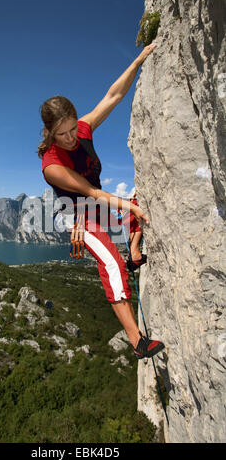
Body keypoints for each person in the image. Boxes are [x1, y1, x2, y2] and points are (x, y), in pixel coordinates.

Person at [38, 43, 164, 359]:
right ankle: (137, 340)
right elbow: (90, 193)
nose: (70, 138)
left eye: (71, 128)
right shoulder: (52, 165)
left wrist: (138, 60)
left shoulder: (83, 129)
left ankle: (135, 251)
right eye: (61, 134)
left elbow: (113, 96)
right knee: (110, 261)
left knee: (141, 195)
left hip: (95, 202)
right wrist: (122, 208)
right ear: (50, 132)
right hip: (77, 210)